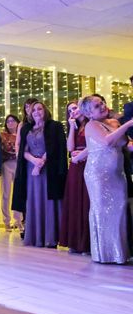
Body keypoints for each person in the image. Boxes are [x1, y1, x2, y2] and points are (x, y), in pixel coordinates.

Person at [80, 95, 132, 264]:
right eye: (96, 106)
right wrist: (129, 124)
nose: (102, 106)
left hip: (118, 174)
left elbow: (126, 144)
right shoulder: (91, 125)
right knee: (102, 211)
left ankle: (120, 254)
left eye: (101, 102)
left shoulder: (114, 123)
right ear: (89, 113)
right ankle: (104, 254)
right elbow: (106, 142)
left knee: (119, 211)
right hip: (98, 175)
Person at [13, 101, 67, 248]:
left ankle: (50, 238)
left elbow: (56, 146)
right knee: (34, 201)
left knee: (49, 201)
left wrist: (41, 162)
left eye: (39, 109)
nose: (36, 112)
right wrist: (34, 161)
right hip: (31, 170)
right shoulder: (26, 128)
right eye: (33, 110)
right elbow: (22, 150)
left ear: (45, 110)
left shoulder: (54, 126)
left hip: (49, 169)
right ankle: (35, 237)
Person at [59, 101, 91, 254]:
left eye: (75, 107)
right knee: (75, 201)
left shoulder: (91, 123)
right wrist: (72, 126)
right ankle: (75, 241)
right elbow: (70, 148)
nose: (73, 111)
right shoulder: (74, 127)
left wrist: (84, 153)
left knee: (87, 201)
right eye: (70, 110)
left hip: (88, 162)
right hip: (75, 165)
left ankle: (87, 243)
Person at [0, 114, 22, 231]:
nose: (10, 123)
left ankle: (18, 220)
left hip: (19, 165)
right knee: (6, 194)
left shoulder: (22, 134)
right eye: (8, 121)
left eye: (13, 121)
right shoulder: (3, 135)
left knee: (18, 194)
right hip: (6, 165)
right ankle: (6, 221)